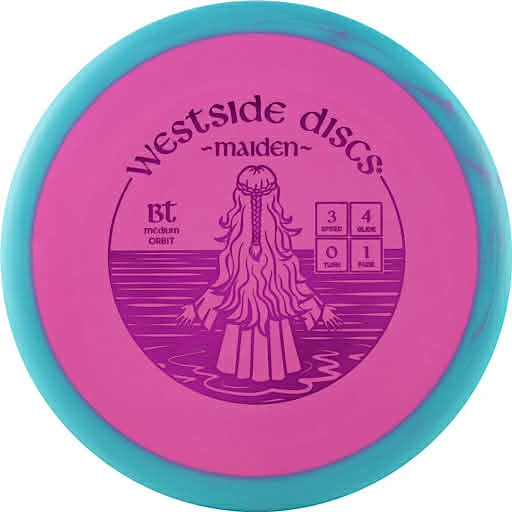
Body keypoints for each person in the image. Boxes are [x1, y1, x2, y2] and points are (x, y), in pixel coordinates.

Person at [177, 165, 342, 382]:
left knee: (236, 370)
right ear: (274, 198)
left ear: (239, 199)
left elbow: (223, 285)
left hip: (248, 321)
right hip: (264, 320)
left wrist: (198, 308)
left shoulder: (241, 251)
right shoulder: (264, 251)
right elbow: (294, 284)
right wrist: (319, 309)